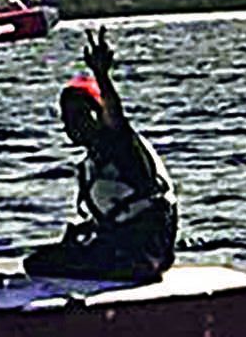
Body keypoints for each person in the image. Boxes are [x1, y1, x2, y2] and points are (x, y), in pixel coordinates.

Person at [24, 26, 178, 281]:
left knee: (40, 265)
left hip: (145, 255)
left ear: (99, 115)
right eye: (67, 117)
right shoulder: (94, 160)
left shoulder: (122, 146)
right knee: (40, 260)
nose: (73, 124)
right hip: (122, 247)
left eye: (81, 115)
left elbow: (116, 117)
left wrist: (101, 75)